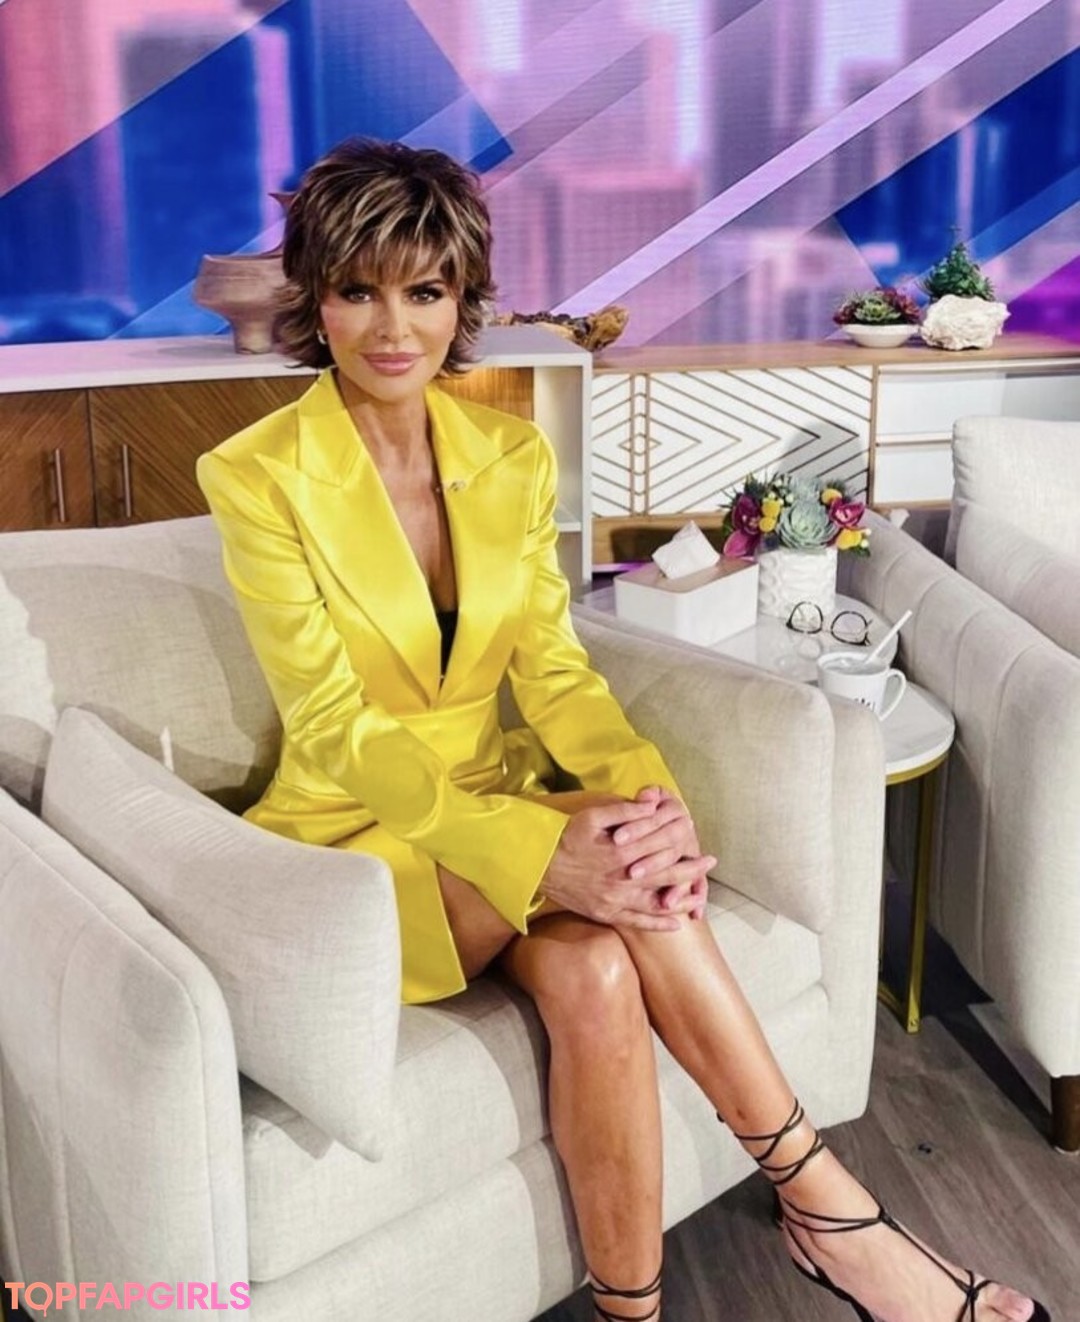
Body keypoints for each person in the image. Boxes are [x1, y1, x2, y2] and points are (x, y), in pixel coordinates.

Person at [197, 138, 1048, 1322]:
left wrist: (655, 804)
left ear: (462, 299)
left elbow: (554, 669)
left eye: (424, 290)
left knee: (602, 961)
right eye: (358, 290)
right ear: (317, 299)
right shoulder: (255, 473)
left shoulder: (508, 455)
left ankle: (633, 1309)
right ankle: (832, 1211)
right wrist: (546, 850)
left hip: (492, 797)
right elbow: (334, 725)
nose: (393, 327)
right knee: (619, 879)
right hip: (359, 834)